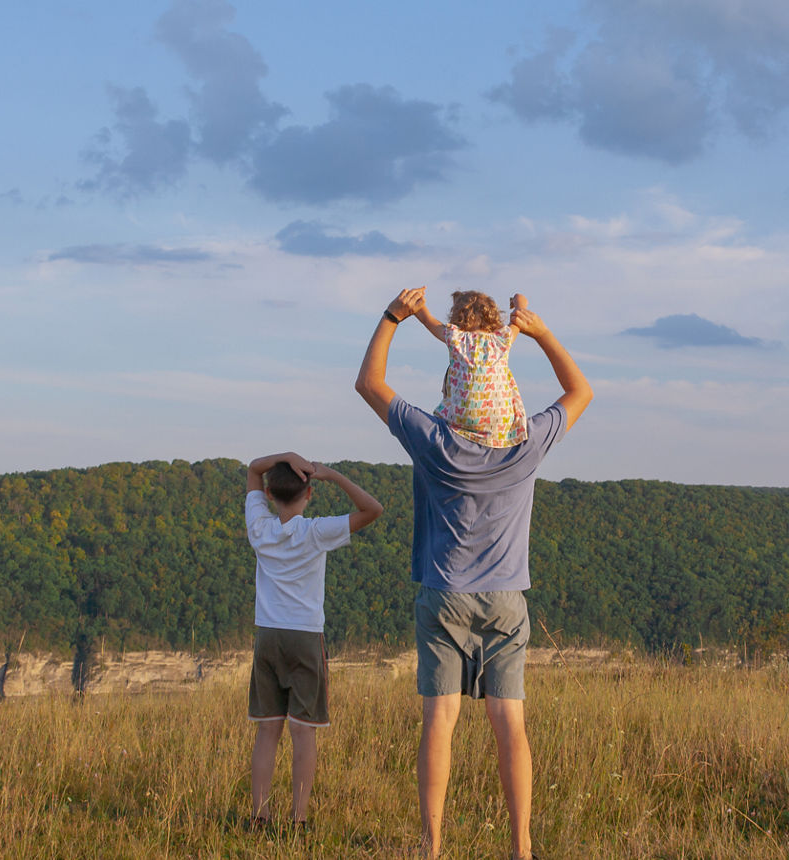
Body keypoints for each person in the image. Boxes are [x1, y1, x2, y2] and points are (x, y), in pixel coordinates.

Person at [355, 287, 592, 860]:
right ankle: (522, 848)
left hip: (444, 595)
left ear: (455, 368)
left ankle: (431, 846)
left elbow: (370, 384)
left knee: (440, 720)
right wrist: (538, 332)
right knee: (510, 726)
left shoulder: (434, 439)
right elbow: (580, 391)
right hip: (507, 598)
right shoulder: (525, 443)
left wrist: (394, 317)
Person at [244, 452, 384, 830]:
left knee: (267, 729)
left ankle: (260, 816)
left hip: (268, 634)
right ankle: (298, 819)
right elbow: (373, 509)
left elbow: (254, 468)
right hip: (305, 636)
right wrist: (334, 476)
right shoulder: (316, 531)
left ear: (270, 495)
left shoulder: (260, 528)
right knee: (303, 731)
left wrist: (286, 457)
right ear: (309, 494)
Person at [412, 289, 529, 448]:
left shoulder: (455, 338)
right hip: (499, 423)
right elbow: (519, 319)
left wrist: (418, 303)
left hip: (461, 419)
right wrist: (519, 302)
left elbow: (427, 320)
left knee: (444, 411)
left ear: (457, 318)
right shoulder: (502, 339)